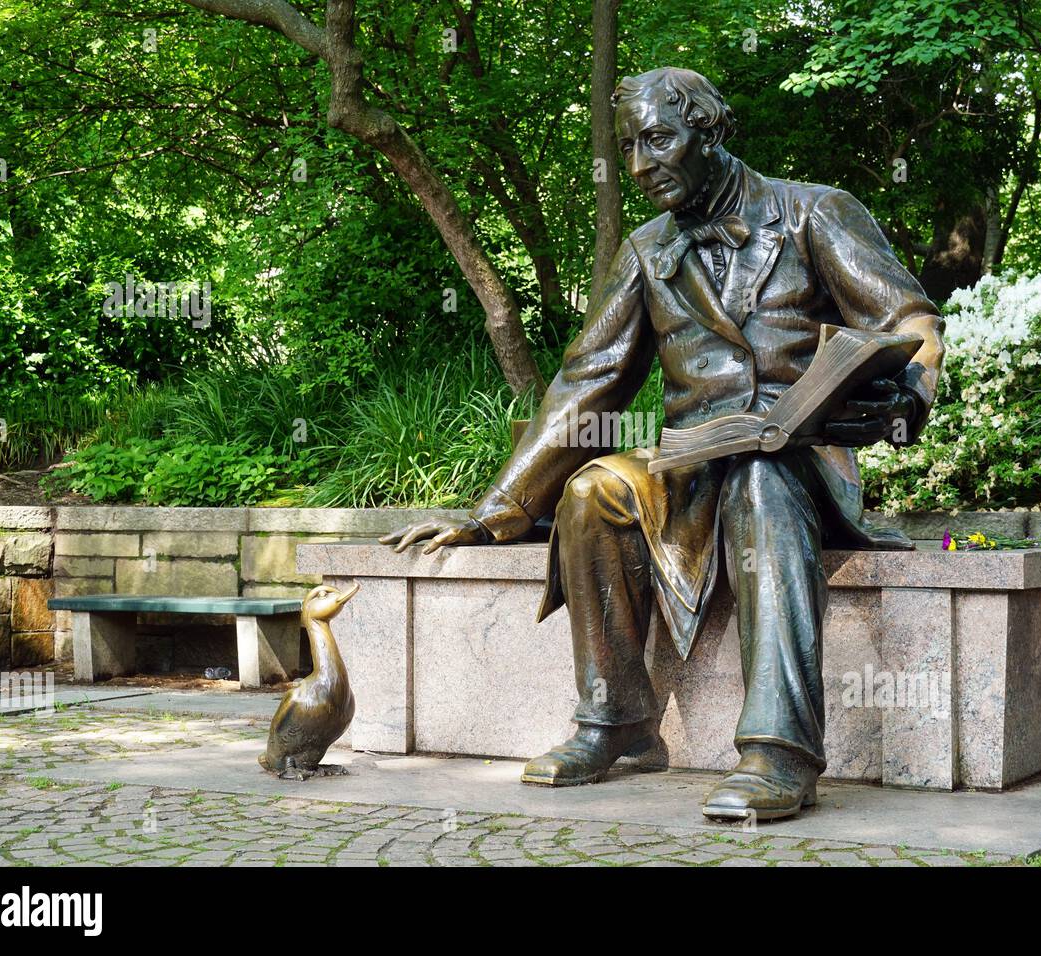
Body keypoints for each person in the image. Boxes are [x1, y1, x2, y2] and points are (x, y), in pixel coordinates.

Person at [383, 67, 945, 821]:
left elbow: (912, 322)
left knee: (761, 478)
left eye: (659, 139)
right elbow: (585, 385)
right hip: (692, 460)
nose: (643, 164)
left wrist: (910, 387)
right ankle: (615, 721)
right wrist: (492, 512)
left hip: (801, 460)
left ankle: (779, 754)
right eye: (629, 147)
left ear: (710, 134)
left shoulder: (816, 213)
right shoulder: (647, 251)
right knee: (594, 490)